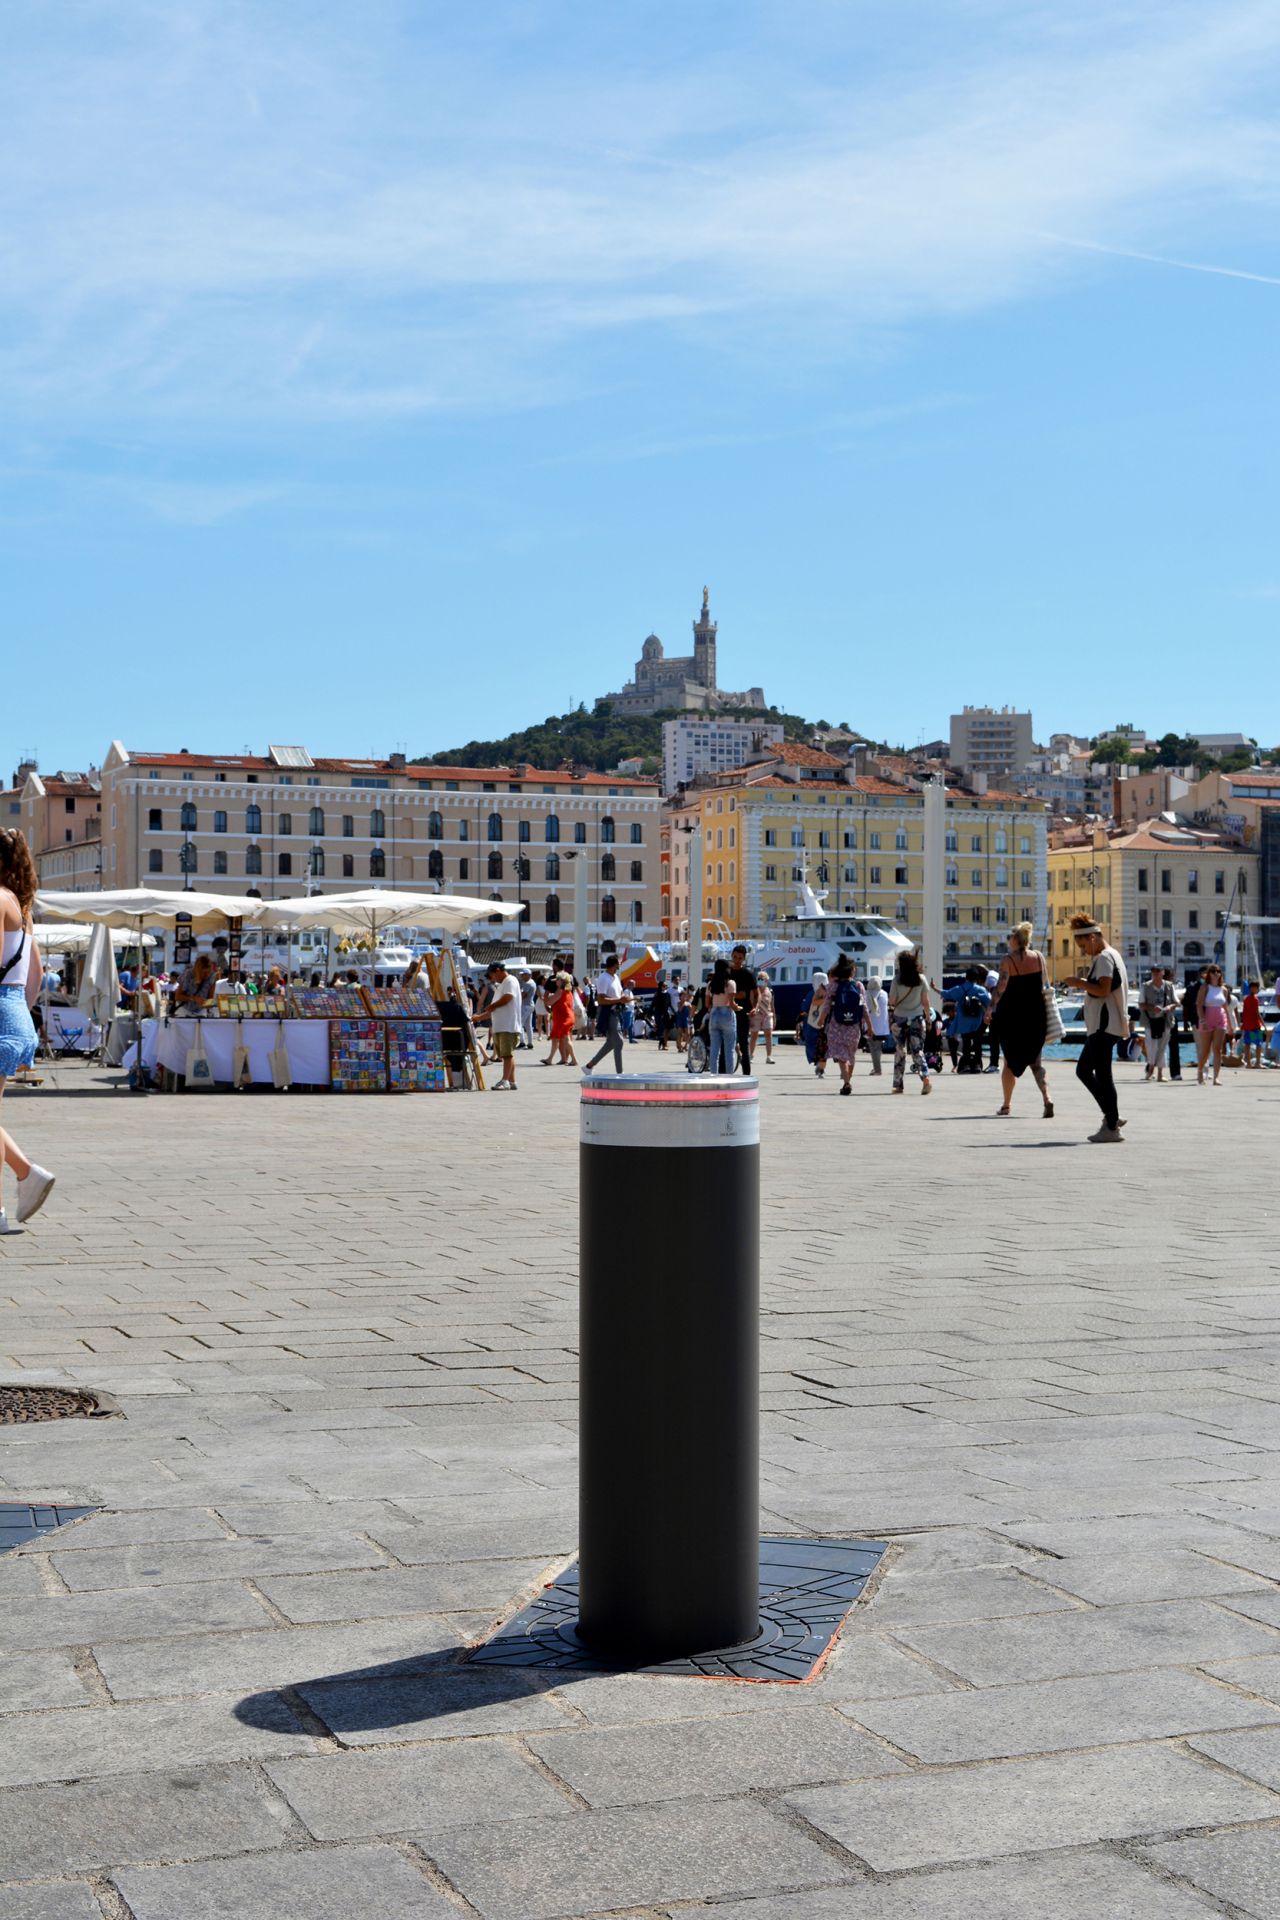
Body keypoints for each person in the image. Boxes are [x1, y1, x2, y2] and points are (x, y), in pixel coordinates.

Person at [0, 829, 55, 1235]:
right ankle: (19, 1185)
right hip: (14, 1013)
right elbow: (34, 977)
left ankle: (26, 1174)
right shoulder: (23, 907)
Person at [1063, 913, 1130, 1142]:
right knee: (1086, 1071)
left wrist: (1077, 983)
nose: (1083, 951)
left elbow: (1103, 989)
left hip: (1104, 1025)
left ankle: (1111, 1126)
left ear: (1092, 937)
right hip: (1105, 1025)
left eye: (1083, 945)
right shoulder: (1113, 955)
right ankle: (1112, 1116)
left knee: (1101, 1075)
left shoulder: (1103, 958)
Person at [987, 923, 1053, 1117]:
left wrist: (990, 1007)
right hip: (1036, 1016)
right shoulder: (1039, 957)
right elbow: (1046, 985)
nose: (1009, 941)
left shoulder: (1008, 960)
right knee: (1037, 1063)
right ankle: (1047, 1098)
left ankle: (1006, 1105)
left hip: (1013, 1017)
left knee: (1008, 1063)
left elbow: (1001, 987)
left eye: (1010, 937)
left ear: (1016, 940)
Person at [820, 955, 868, 1096]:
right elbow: (864, 1007)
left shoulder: (833, 986)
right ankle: (847, 1081)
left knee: (841, 1056)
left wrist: (821, 1020)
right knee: (851, 1055)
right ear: (852, 971)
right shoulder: (859, 986)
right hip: (854, 1026)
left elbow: (827, 1006)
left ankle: (846, 1082)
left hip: (837, 1025)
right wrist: (870, 1026)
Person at [888, 949, 933, 1096]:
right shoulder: (921, 979)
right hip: (917, 1019)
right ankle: (926, 1079)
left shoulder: (897, 980)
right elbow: (925, 1002)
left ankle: (898, 1085)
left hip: (900, 1019)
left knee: (900, 1051)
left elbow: (892, 1001)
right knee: (918, 1051)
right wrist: (928, 1018)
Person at [474, 961, 522, 1089]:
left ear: (498, 971)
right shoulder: (502, 985)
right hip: (501, 1025)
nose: (492, 979)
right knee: (507, 1054)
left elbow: (508, 998)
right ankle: (512, 1081)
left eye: (491, 975)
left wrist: (492, 1006)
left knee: (507, 1055)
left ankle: (505, 1080)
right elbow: (493, 1010)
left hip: (508, 1025)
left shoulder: (510, 981)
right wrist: (479, 1017)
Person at [585, 954, 629, 1075]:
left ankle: (589, 1066)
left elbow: (618, 996)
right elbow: (601, 1000)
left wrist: (626, 999)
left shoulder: (615, 977)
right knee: (619, 1042)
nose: (620, 964)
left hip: (616, 1012)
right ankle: (620, 1073)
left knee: (611, 1043)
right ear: (614, 964)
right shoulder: (604, 978)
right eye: (619, 963)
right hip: (608, 1013)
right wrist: (619, 1000)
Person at [944, 966, 992, 1075]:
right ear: (976, 978)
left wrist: (935, 988)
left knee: (966, 1043)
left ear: (966, 977)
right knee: (977, 1043)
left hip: (964, 1021)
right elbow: (989, 1002)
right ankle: (977, 1066)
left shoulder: (960, 988)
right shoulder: (980, 989)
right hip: (977, 1021)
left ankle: (965, 1066)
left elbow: (946, 993)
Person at [1195, 963, 1234, 1086]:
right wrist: (1202, 1020)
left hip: (1221, 1019)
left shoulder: (1224, 989)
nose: (1216, 973)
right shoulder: (1205, 987)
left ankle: (1216, 1077)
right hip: (1207, 1019)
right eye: (1213, 971)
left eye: (1218, 971)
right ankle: (1200, 1071)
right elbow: (1199, 1005)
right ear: (1209, 974)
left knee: (1218, 1049)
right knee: (1205, 1050)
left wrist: (1230, 1024)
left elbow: (1225, 1007)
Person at [1139, 966, 1177, 1081]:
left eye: (1158, 972)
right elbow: (1141, 1004)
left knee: (1162, 1046)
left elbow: (1176, 1002)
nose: (1155, 974)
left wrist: (1168, 1007)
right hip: (1150, 1021)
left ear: (1163, 973)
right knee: (1151, 1047)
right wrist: (1152, 1008)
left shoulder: (1169, 986)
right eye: (1153, 972)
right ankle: (1151, 1067)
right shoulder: (1145, 986)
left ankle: (1160, 1073)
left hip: (1165, 1020)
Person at [705, 960, 739, 1074]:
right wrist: (738, 1008)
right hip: (726, 1013)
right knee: (729, 1050)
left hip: (714, 1013)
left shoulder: (710, 984)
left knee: (714, 1050)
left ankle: (713, 1075)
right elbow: (732, 1003)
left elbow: (706, 1004)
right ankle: (730, 1076)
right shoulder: (730, 983)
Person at [728, 945, 757, 1078]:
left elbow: (754, 993)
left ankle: (746, 1075)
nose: (737, 960)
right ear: (731, 955)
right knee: (726, 1044)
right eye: (735, 957)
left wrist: (755, 1007)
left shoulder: (748, 974)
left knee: (744, 1044)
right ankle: (724, 1073)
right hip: (727, 1011)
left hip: (742, 1012)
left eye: (740, 958)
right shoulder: (726, 972)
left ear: (744, 959)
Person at [542, 970, 578, 1067]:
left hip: (563, 1018)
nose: (555, 981)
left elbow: (549, 1002)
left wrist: (545, 998)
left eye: (557, 980)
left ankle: (574, 1060)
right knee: (556, 1038)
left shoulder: (560, 991)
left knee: (565, 1039)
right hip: (564, 1017)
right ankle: (550, 1059)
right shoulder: (568, 991)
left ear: (562, 981)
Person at [801, 971, 829, 1077]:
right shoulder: (829, 993)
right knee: (823, 1044)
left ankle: (817, 1063)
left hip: (811, 1022)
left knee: (812, 1043)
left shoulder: (812, 993)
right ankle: (821, 1065)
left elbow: (804, 1008)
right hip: (825, 1021)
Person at [173, 953, 218, 1017]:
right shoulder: (188, 975)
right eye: (204, 973)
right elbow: (177, 996)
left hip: (200, 1012)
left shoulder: (211, 978)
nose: (207, 975)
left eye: (209, 972)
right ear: (198, 971)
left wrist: (213, 1003)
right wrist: (194, 999)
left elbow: (210, 999)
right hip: (184, 1011)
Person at [865, 976, 890, 1075]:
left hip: (870, 1026)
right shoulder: (884, 994)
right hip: (883, 1027)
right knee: (878, 1048)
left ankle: (877, 1070)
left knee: (873, 1048)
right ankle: (876, 1067)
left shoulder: (866, 994)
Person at [750, 970, 776, 1063]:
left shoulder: (770, 991)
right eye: (759, 978)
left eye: (762, 978)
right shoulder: (754, 990)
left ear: (766, 980)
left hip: (767, 1014)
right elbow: (751, 1002)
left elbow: (772, 1005)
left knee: (768, 1034)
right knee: (754, 1035)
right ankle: (751, 1055)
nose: (760, 980)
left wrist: (774, 1017)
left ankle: (769, 1056)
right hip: (756, 1015)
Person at [1240, 979, 1266, 1069]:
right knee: (1258, 1044)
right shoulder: (1255, 999)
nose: (1254, 989)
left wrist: (1243, 1024)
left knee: (1248, 1044)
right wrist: (1264, 1024)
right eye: (1253, 988)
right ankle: (1257, 1063)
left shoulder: (1246, 999)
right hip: (1254, 1025)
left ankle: (1249, 1064)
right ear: (1250, 988)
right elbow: (1257, 1013)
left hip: (1248, 1025)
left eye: (1256, 988)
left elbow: (1244, 1012)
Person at [984, 965, 1002, 1072]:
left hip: (996, 1015)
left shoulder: (991, 980)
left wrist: (989, 1012)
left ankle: (994, 1064)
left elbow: (995, 995)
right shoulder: (996, 976)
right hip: (1001, 1014)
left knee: (994, 1040)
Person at [518, 971, 536, 1049]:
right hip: (530, 1005)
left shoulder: (528, 983)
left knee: (520, 1023)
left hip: (525, 1005)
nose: (522, 976)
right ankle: (530, 1042)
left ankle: (522, 1041)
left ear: (528, 975)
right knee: (528, 1025)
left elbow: (523, 995)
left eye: (523, 975)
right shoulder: (532, 982)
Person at [674, 986, 692, 1053]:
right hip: (680, 1019)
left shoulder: (688, 1003)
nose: (684, 997)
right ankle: (680, 1047)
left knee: (688, 1033)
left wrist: (691, 1016)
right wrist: (684, 1004)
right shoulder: (679, 1003)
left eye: (685, 996)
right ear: (680, 997)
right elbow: (680, 1010)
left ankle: (686, 1046)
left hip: (686, 1019)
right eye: (683, 996)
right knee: (680, 1033)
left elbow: (691, 1011)